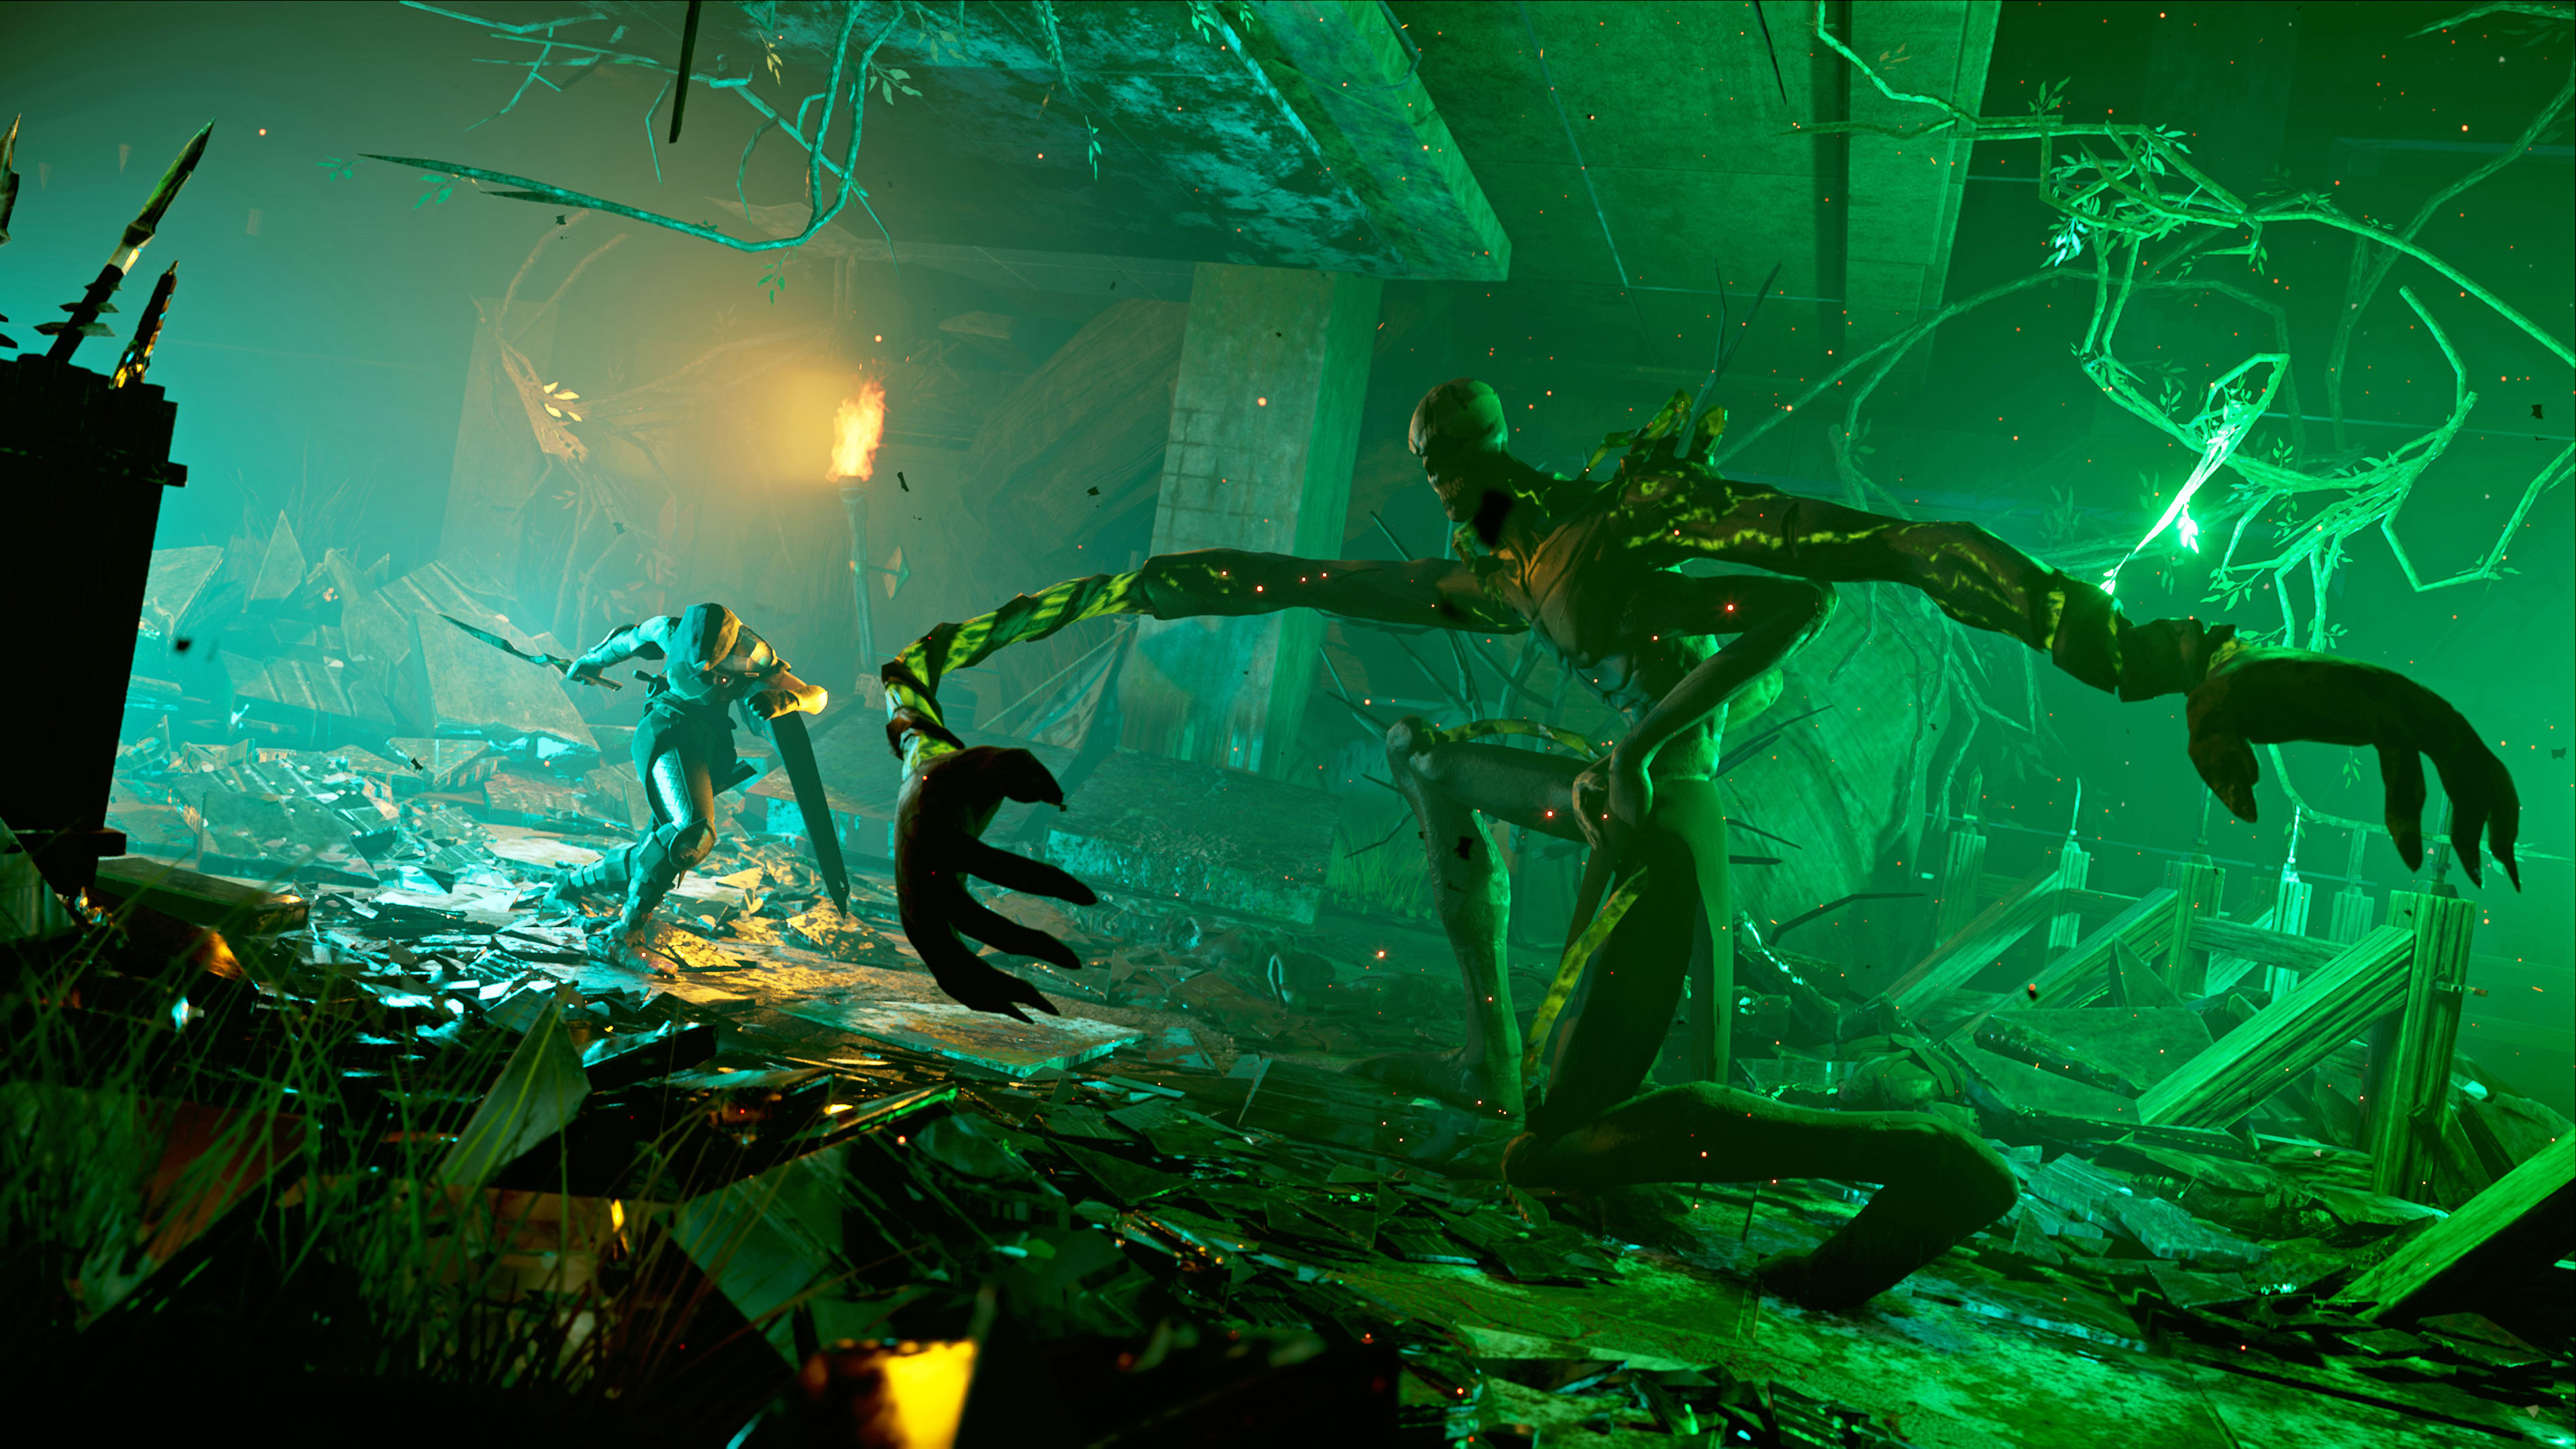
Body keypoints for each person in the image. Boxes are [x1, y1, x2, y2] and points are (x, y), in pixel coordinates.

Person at [877, 380, 2519, 1307]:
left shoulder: (1630, 516)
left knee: (1558, 1157)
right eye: (1437, 466)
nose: (1453, 481)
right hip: (1625, 795)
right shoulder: (1491, 576)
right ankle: (1497, 1057)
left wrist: (2152, 654)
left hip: (1662, 813)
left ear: (1505, 446)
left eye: (1467, 454)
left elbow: (1869, 564)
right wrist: (940, 679)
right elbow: (1263, 580)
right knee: (1431, 764)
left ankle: (1921, 1165)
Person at [545, 602, 826, 953]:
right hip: (666, 730)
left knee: (656, 849)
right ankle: (624, 934)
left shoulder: (752, 655)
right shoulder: (669, 631)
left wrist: (789, 700)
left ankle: (569, 885)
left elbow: (818, 696)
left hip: (708, 747)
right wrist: (590, 662)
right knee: (691, 833)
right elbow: (625, 641)